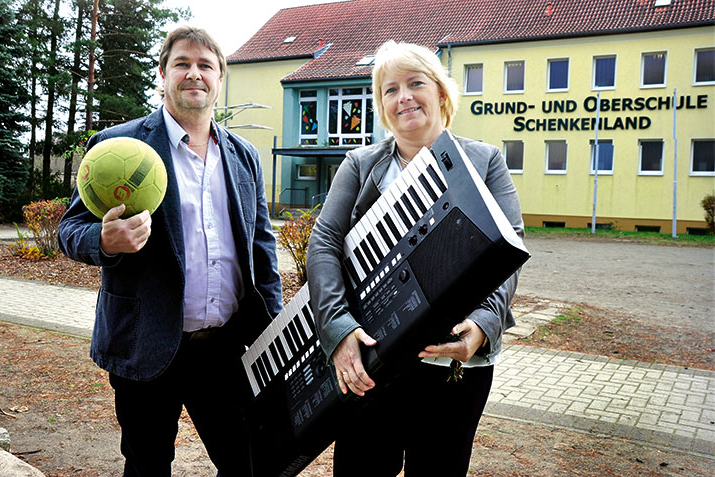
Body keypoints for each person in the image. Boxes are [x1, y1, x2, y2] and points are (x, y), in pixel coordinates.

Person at [58, 26, 282, 477]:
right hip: (147, 342)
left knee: (246, 462)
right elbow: (70, 229)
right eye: (182, 63)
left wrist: (273, 328)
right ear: (163, 74)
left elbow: (261, 246)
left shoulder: (243, 156)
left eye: (205, 65)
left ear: (220, 78)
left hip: (227, 346)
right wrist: (104, 241)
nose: (193, 74)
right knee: (147, 463)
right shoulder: (120, 146)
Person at [306, 40, 524, 476]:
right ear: (383, 106)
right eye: (390, 89)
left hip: (453, 367)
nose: (403, 96)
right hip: (373, 362)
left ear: (441, 93)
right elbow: (325, 241)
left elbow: (509, 249)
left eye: (415, 83)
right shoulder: (360, 164)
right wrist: (338, 329)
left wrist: (483, 325)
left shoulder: (485, 161)